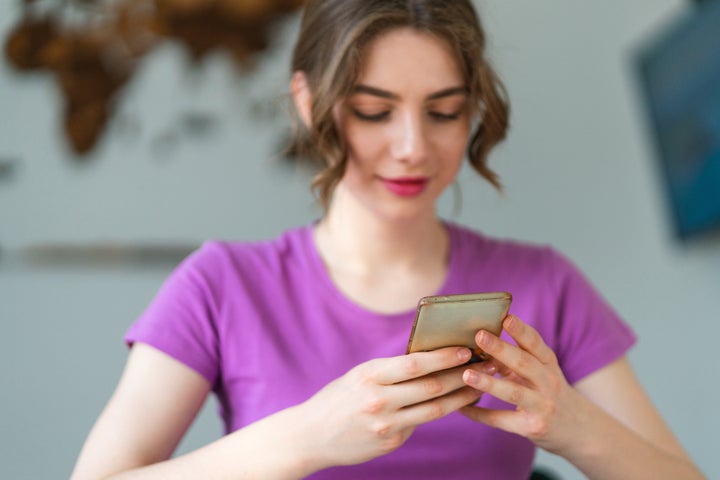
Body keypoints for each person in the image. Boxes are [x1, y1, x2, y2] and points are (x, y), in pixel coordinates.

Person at [71, 1, 705, 479]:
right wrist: (308, 436)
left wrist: (571, 427)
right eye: (375, 111)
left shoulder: (545, 282)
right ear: (309, 101)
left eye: (444, 111)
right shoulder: (220, 285)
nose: (412, 148)